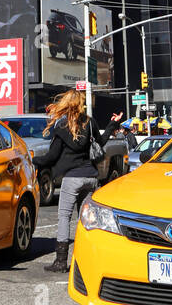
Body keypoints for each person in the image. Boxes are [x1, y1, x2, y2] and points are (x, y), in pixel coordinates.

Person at [33, 90, 124, 274]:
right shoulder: (90, 123)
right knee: (87, 220)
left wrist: (32, 160)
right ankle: (90, 261)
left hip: (72, 178)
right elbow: (102, 141)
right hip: (91, 177)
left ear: (66, 103)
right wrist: (113, 123)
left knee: (64, 217)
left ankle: (60, 261)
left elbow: (51, 157)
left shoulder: (62, 127)